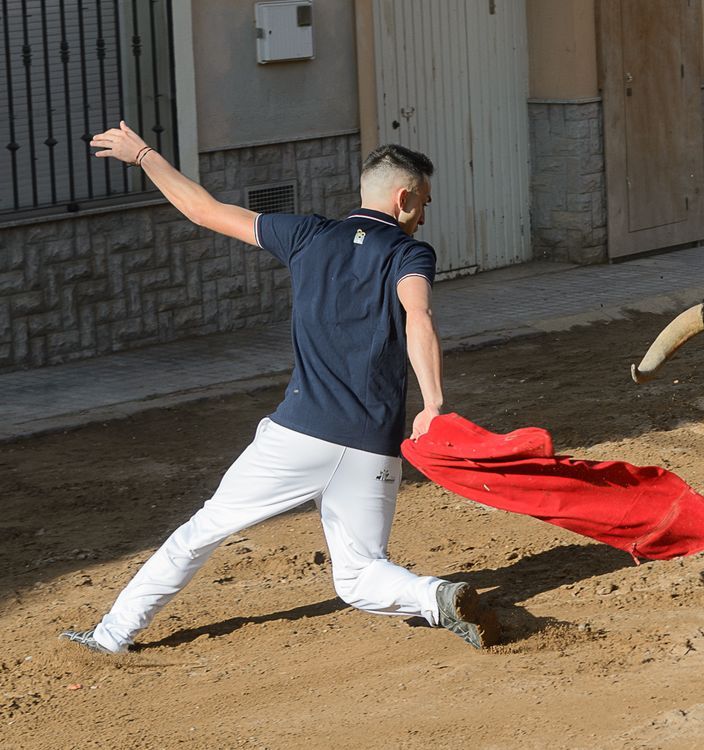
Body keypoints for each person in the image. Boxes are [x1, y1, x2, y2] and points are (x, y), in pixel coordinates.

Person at [59, 122, 496, 653]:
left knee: (202, 532)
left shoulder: (307, 235)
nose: (424, 215)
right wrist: (432, 404)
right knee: (359, 575)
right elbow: (418, 317)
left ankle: (111, 635)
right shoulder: (410, 255)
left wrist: (145, 155)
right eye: (423, 202)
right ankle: (434, 597)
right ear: (403, 198)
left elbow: (203, 210)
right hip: (373, 444)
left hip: (298, 436)